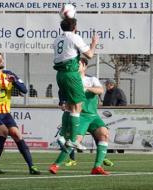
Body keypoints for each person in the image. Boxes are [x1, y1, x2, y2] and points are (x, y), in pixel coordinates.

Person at [0, 51, 40, 175]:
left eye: (1, 58)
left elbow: (24, 90)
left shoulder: (10, 74)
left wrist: (15, 82)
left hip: (5, 113)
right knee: (4, 132)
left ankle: (32, 167)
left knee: (17, 134)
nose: (1, 60)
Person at [50, 58, 111, 175]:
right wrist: (63, 103)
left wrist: (87, 88)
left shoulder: (91, 79)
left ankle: (97, 167)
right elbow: (62, 96)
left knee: (104, 134)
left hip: (93, 116)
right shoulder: (71, 80)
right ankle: (55, 165)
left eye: (78, 64)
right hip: (79, 116)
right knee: (75, 141)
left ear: (85, 66)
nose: (76, 66)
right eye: (74, 64)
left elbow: (100, 90)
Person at [52, 16, 98, 151]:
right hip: (71, 74)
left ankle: (63, 136)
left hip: (60, 74)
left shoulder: (57, 39)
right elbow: (89, 55)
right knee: (78, 105)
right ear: (75, 28)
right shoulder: (74, 37)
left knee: (70, 106)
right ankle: (72, 140)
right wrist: (93, 43)